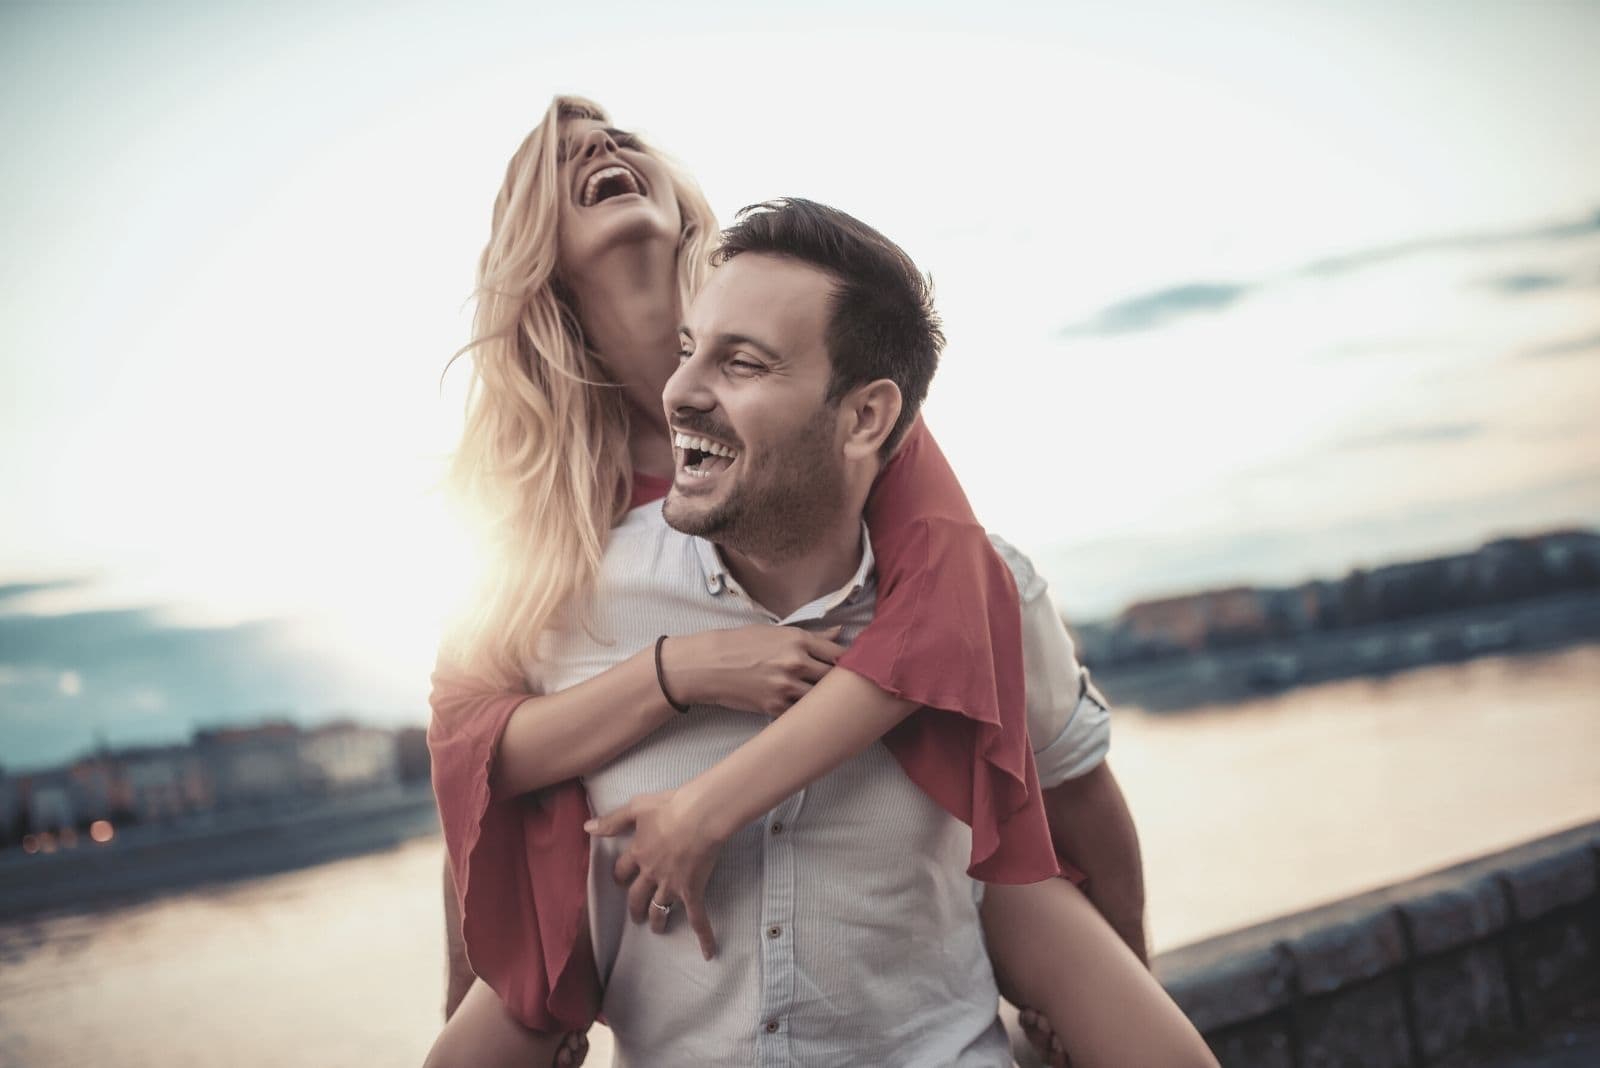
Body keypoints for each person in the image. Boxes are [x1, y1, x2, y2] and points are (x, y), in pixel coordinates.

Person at [425, 98, 1191, 1066]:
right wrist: (681, 672)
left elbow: (956, 626)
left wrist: (1107, 1010)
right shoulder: (538, 529)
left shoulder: (844, 417)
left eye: (620, 134)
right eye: (564, 154)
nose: (605, 146)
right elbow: (473, 777)